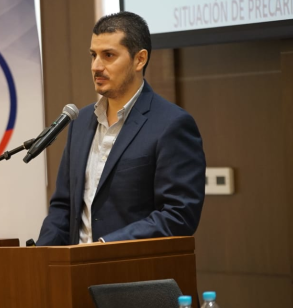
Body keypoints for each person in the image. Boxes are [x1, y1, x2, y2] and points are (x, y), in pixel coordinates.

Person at [36, 12, 206, 246]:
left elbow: (178, 215)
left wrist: (106, 246)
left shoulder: (172, 124)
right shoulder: (80, 121)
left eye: (108, 56)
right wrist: (42, 256)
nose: (96, 66)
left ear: (139, 59)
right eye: (93, 55)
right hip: (74, 273)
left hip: (132, 274)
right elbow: (63, 206)